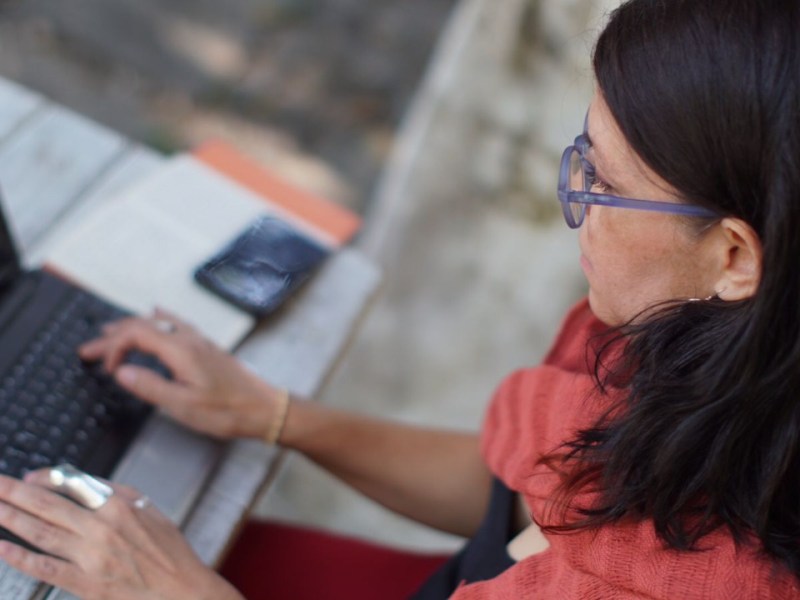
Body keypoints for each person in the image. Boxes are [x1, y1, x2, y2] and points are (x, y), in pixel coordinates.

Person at [0, 0, 798, 597]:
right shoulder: (699, 345)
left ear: (733, 255)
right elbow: (521, 490)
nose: (578, 201)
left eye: (609, 185)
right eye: (583, 153)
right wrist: (273, 415)